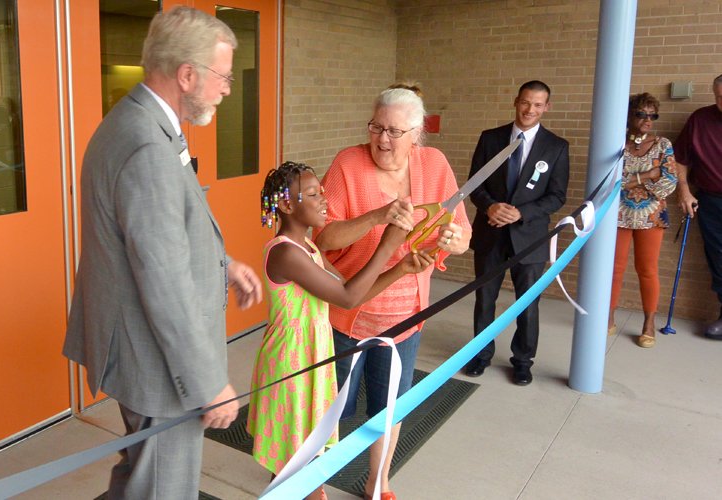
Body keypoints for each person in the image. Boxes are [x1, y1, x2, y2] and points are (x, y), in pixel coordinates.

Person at [62, 7, 262, 499]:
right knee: (163, 490)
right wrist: (208, 383)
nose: (227, 88)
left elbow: (164, 238)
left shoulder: (142, 121)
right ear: (187, 75)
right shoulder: (146, 144)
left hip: (138, 347)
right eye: (223, 76)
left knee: (140, 477)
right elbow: (163, 281)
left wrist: (224, 265)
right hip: (157, 364)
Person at [312, 83, 471, 500]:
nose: (382, 139)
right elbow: (325, 237)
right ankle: (313, 480)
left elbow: (461, 228)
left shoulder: (434, 165)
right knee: (329, 410)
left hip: (405, 318)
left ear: (417, 133)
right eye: (376, 127)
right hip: (347, 313)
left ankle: (377, 483)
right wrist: (377, 216)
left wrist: (456, 241)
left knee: (390, 408)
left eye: (395, 131)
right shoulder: (348, 164)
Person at [247, 162, 434, 500]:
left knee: (306, 455)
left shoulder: (309, 249)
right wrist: (388, 246)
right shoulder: (286, 252)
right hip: (292, 364)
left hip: (312, 357)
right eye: (314, 194)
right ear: (287, 205)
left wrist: (401, 268)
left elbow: (350, 289)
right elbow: (347, 300)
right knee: (299, 458)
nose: (325, 202)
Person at [464, 80, 569, 385]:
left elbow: (557, 196)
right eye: (525, 102)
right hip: (491, 232)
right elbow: (475, 183)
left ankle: (523, 361)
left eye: (538, 105)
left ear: (546, 108)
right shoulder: (491, 138)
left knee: (528, 303)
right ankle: (480, 355)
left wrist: (522, 212)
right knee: (485, 299)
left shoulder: (556, 146)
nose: (530, 110)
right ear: (516, 102)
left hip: (530, 236)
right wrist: (490, 207)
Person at [607, 93, 677, 348]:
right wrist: (649, 174)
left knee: (647, 270)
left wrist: (634, 180)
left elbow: (669, 182)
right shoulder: (616, 143)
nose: (648, 120)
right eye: (641, 114)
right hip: (618, 215)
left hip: (651, 216)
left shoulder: (662, 145)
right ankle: (609, 317)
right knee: (614, 268)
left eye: (652, 115)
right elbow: (613, 181)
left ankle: (648, 323)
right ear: (629, 116)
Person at [673, 74, 722, 340]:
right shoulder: (700, 119)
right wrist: (684, 189)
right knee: (718, 257)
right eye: (720, 97)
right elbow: (680, 157)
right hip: (712, 200)